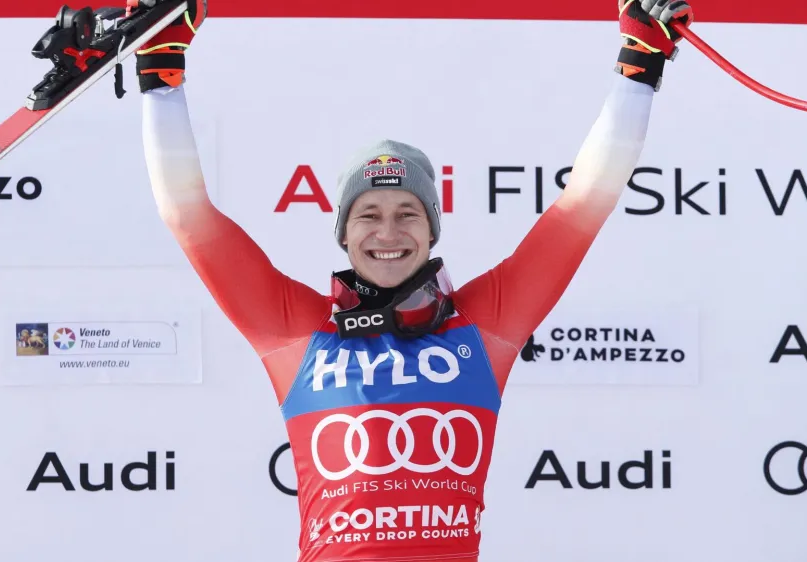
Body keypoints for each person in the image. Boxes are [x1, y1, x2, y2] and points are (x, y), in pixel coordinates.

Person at [132, 0, 694, 559]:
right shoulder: (298, 332)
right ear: (345, 235)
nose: (388, 232)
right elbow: (186, 212)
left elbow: (585, 202)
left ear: (431, 232)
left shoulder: (484, 325)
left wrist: (637, 71)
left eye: (407, 213)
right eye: (368, 215)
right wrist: (161, 75)